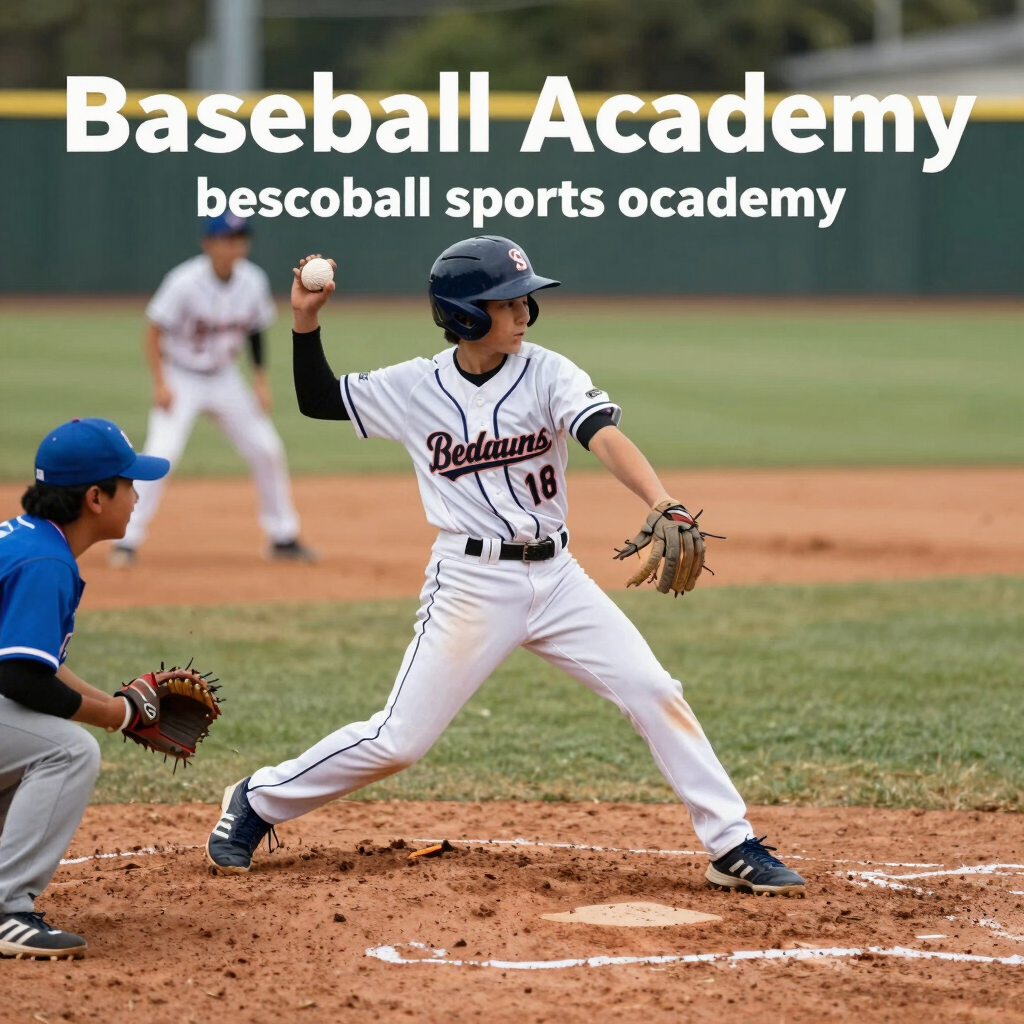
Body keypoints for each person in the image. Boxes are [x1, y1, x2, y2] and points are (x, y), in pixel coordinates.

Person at [204, 238, 806, 898]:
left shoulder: (549, 372)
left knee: (653, 688)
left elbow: (601, 431)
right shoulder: (414, 386)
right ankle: (259, 799)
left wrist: (662, 500)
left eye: (526, 299)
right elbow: (319, 398)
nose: (525, 311)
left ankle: (731, 843)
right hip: (470, 585)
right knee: (400, 741)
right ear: (463, 314)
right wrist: (305, 319)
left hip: (558, 579)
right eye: (507, 301)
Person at [0, 419, 171, 958]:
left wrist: (119, 705)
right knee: (69, 750)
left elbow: (36, 668)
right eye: (128, 483)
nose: (138, 494)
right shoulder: (45, 562)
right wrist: (112, 719)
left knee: (32, 740)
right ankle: (7, 911)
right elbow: (20, 681)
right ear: (95, 497)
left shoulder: (31, 540)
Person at [109, 212, 316, 567]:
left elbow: (255, 331)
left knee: (267, 449)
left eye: (241, 239)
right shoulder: (184, 281)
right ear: (209, 243)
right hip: (182, 376)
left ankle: (282, 537)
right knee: (163, 453)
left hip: (225, 377)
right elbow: (154, 331)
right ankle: (127, 539)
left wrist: (260, 380)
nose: (236, 246)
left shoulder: (253, 279)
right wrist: (161, 382)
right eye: (228, 239)